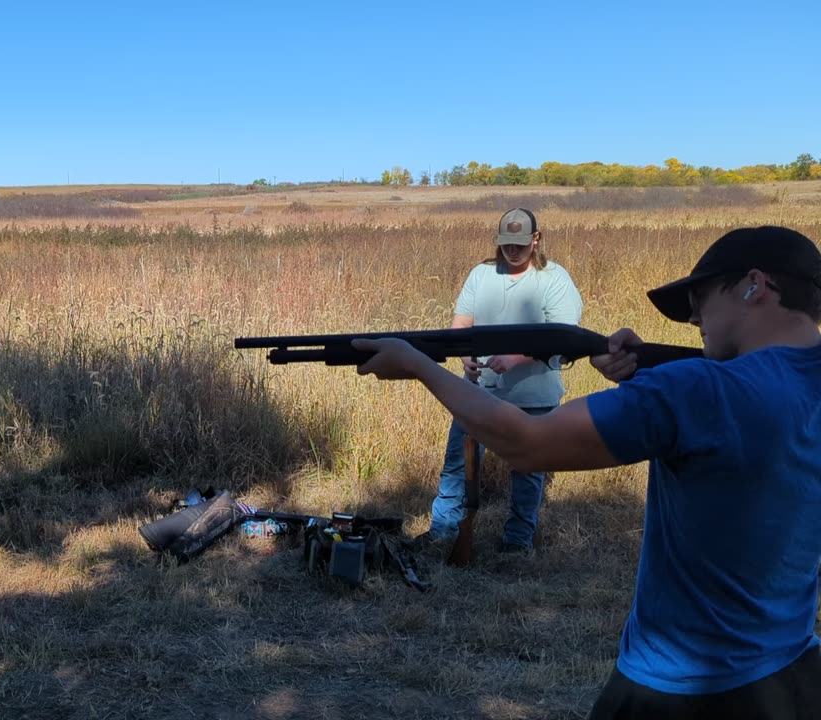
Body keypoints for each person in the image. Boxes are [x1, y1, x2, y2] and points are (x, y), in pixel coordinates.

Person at [352, 225, 821, 719]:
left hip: (677, 688)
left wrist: (421, 366)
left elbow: (525, 444)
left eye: (701, 298)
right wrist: (647, 369)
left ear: (754, 285)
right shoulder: (718, 388)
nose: (696, 317)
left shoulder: (697, 391)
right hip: (793, 674)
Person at [423, 207, 583, 554]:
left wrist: (515, 357)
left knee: (528, 467)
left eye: (521, 244)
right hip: (477, 393)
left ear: (536, 239)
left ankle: (517, 540)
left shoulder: (555, 279)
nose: (513, 250)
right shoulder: (481, 274)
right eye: (507, 243)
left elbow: (564, 337)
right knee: (456, 463)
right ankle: (444, 530)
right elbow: (460, 323)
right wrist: (463, 354)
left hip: (534, 394)